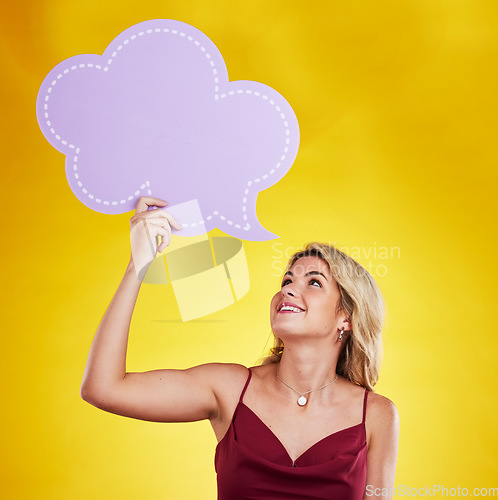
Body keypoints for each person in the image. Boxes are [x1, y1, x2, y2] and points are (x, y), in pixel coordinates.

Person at [80, 196, 399, 499]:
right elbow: (103, 388)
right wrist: (138, 264)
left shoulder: (377, 415)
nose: (288, 291)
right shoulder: (228, 389)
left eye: (313, 282)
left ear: (347, 317)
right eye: (287, 281)